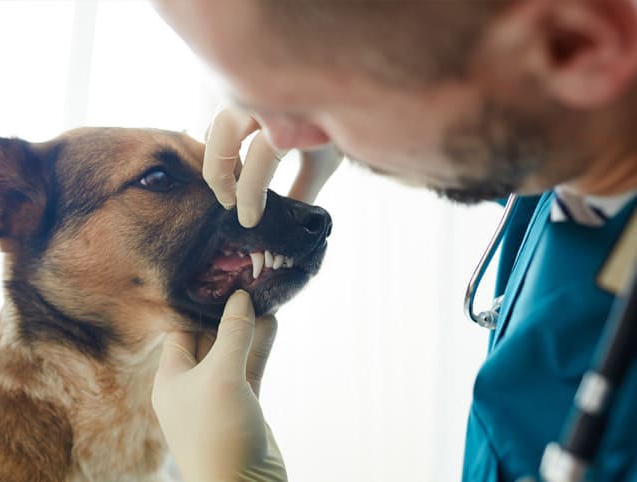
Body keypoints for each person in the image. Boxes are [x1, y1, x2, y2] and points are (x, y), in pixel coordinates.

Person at [150, 1, 637, 481]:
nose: (283, 133)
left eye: (315, 98)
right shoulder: (570, 146)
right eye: (258, 97)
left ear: (574, 47)